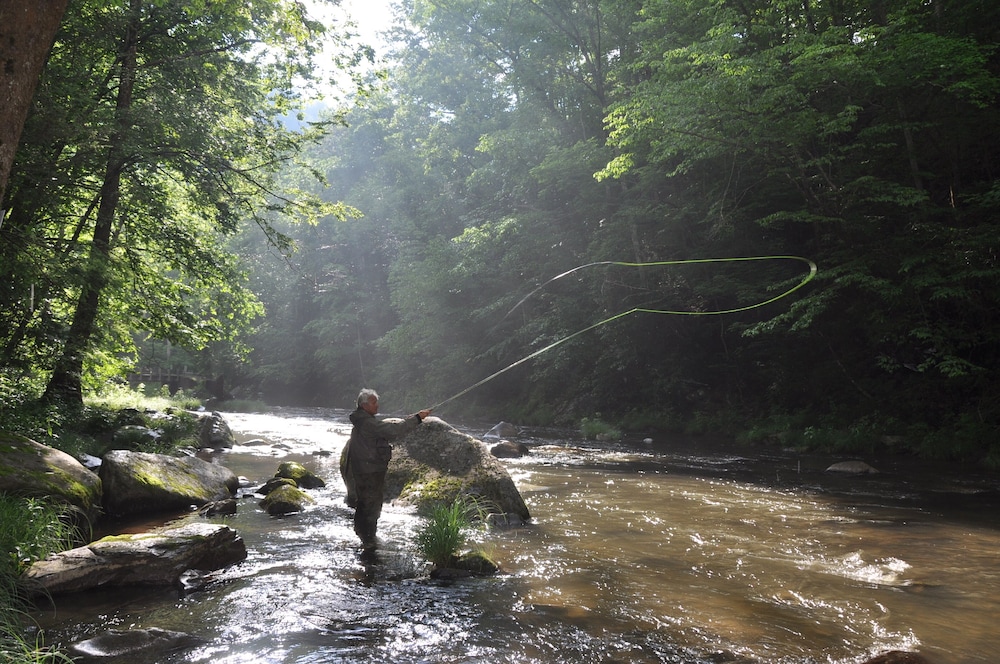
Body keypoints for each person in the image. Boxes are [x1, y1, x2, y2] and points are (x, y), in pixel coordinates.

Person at [342, 388, 432, 551]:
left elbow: (386, 429)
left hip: (365, 470)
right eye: (374, 402)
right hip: (369, 471)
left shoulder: (363, 421)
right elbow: (393, 431)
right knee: (371, 505)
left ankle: (364, 538)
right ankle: (368, 541)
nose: (377, 405)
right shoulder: (368, 423)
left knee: (365, 503)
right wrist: (418, 418)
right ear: (364, 405)